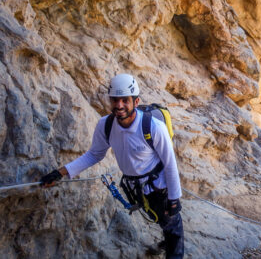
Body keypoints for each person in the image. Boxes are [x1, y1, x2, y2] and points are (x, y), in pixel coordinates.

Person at [40, 73, 184, 258]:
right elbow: (94, 154)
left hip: (160, 187)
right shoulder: (105, 125)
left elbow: (170, 164)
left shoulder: (154, 127)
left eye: (125, 100)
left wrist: (174, 199)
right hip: (136, 188)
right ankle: (168, 237)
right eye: (115, 100)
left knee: (173, 225)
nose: (119, 105)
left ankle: (173, 246)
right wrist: (59, 173)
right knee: (161, 219)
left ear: (136, 101)